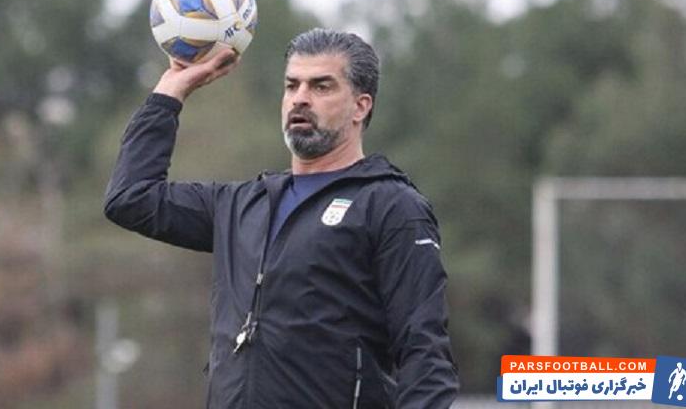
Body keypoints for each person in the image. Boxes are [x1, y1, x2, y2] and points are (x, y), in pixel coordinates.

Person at [104, 28, 459, 408]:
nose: (300, 98)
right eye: (292, 86)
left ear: (360, 107)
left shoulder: (390, 205)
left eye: (321, 86)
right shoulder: (241, 205)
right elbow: (131, 197)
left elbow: (425, 355)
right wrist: (171, 89)